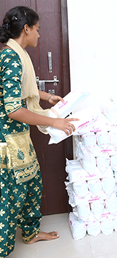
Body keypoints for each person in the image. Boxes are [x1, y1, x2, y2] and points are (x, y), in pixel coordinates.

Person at [0, 6, 78, 257]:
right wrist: (54, 122)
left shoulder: (18, 55)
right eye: (37, 29)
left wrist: (46, 96)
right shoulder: (11, 59)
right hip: (8, 139)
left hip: (19, 135)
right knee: (11, 197)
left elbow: (23, 90)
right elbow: (13, 108)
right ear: (26, 29)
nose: (39, 35)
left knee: (33, 184)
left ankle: (31, 234)